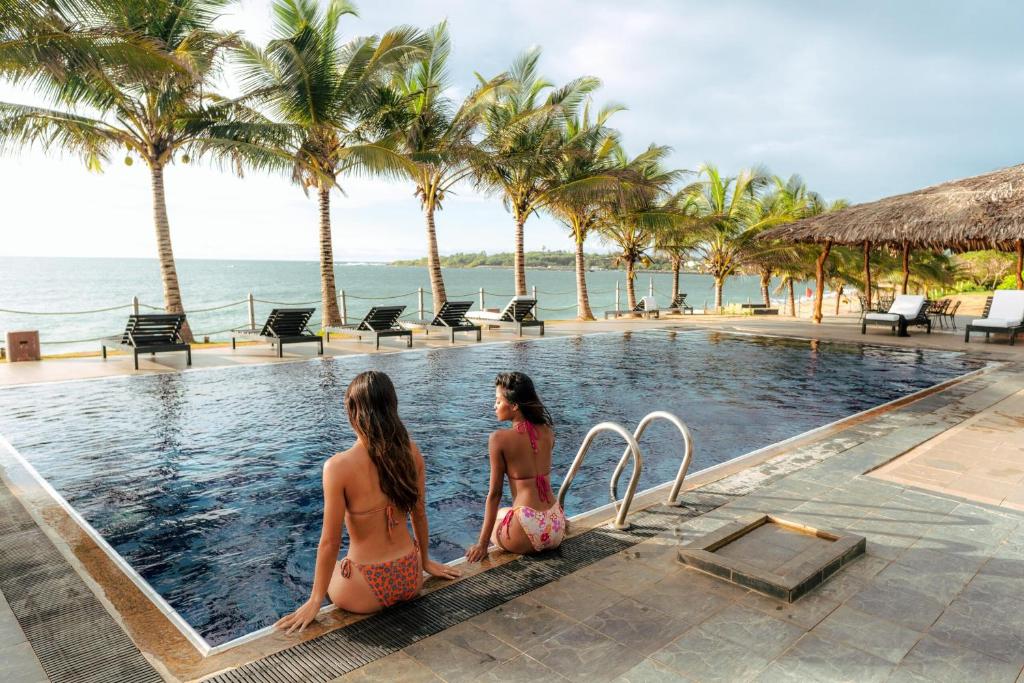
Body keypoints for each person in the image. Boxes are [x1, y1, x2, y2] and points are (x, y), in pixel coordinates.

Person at [276, 371, 459, 634]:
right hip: (410, 576)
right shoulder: (412, 451)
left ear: (352, 410)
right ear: (392, 406)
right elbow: (419, 513)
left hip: (364, 589)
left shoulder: (338, 467)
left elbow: (330, 542)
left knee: (336, 567)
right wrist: (426, 562)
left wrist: (315, 599)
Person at [466, 372, 565, 562]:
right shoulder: (547, 431)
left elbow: (495, 494)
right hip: (555, 524)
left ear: (514, 405)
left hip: (528, 530)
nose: (494, 406)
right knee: (504, 513)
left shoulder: (499, 439)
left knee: (498, 518)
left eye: (498, 401)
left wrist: (482, 544)